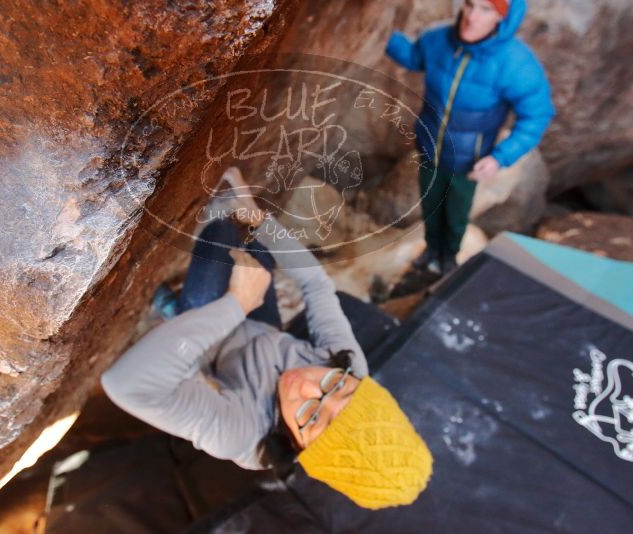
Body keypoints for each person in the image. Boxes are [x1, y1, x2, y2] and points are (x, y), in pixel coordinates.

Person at [101, 167, 433, 510]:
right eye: (338, 387)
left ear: (301, 449)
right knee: (254, 244)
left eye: (312, 417)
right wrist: (257, 218)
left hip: (214, 353)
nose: (305, 385)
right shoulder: (351, 366)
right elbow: (317, 285)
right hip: (262, 331)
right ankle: (185, 309)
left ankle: (182, 313)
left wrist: (236, 304)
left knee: (218, 237)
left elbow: (125, 385)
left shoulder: (241, 435)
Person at [386, 0, 555, 275]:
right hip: (430, 146)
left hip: (468, 159)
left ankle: (449, 257)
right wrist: (382, 32)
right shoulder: (439, 39)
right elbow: (413, 57)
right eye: (469, 4)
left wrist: (500, 157)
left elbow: (537, 115)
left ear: (502, 19)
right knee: (429, 203)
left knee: (456, 213)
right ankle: (431, 249)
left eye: (486, 10)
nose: (472, 17)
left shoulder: (515, 63)